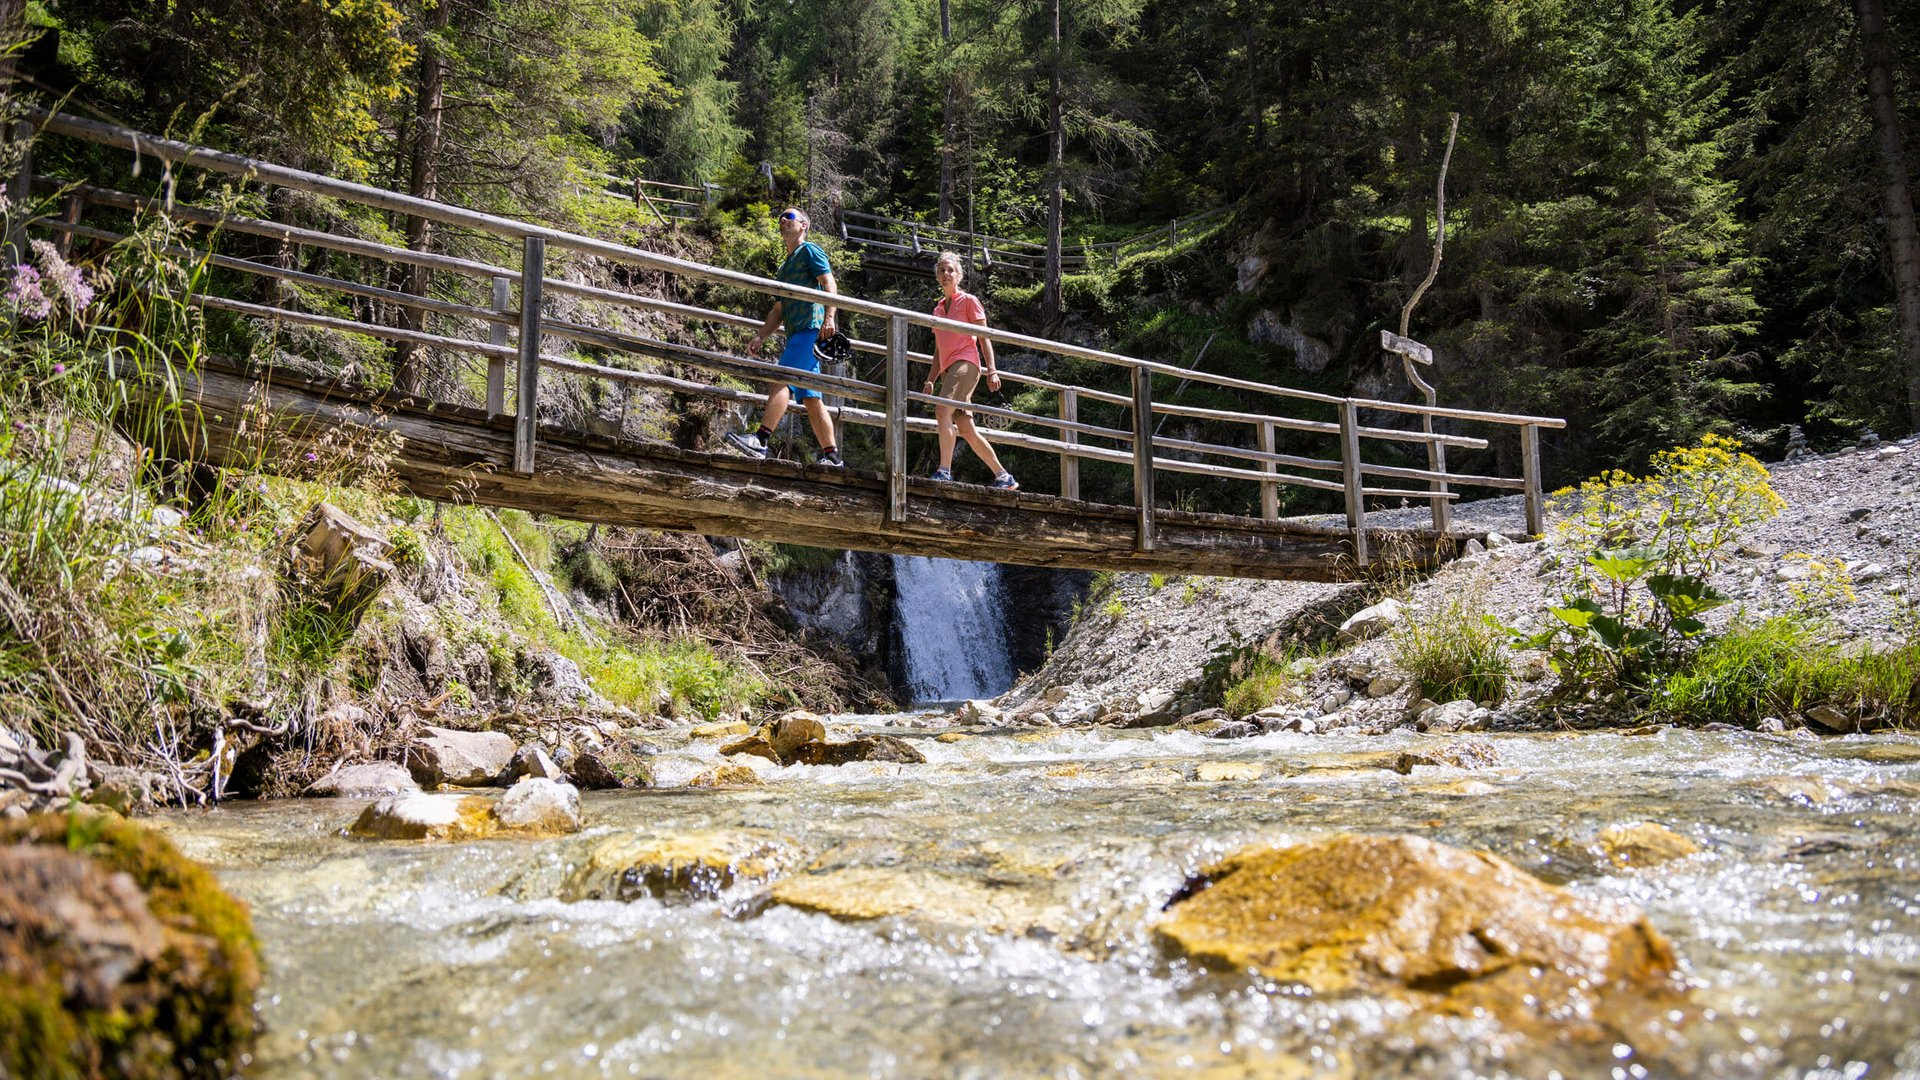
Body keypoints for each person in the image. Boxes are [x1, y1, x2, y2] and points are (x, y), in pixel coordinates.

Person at [725, 207, 843, 466]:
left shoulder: (809, 251)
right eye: (781, 217)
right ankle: (832, 457)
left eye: (789, 217)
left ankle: (761, 440)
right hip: (796, 333)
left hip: (810, 329)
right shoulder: (784, 266)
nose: (782, 220)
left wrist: (829, 317)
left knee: (780, 377)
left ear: (803, 226)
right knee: (811, 398)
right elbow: (778, 309)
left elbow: (829, 284)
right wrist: (761, 336)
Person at [925, 251, 1018, 490]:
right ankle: (1003, 476)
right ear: (937, 276)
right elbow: (939, 349)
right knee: (966, 428)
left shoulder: (968, 301)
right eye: (942, 270)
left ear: (959, 275)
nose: (946, 274)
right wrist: (931, 378)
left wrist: (992, 370)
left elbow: (985, 337)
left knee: (942, 409)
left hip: (967, 363)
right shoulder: (937, 310)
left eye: (950, 270)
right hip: (948, 369)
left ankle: (944, 471)